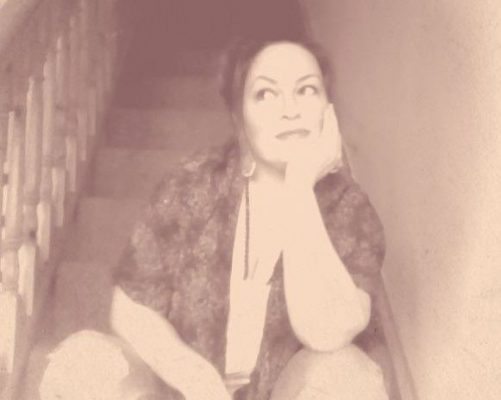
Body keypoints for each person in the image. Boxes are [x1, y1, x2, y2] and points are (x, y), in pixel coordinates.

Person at [40, 37, 389, 400]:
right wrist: (195, 378)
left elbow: (326, 332)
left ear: (327, 111)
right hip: (188, 395)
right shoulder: (193, 185)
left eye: (306, 90)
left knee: (346, 374)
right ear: (239, 117)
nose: (290, 109)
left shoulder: (348, 207)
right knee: (83, 360)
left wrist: (300, 187)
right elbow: (131, 308)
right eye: (266, 94)